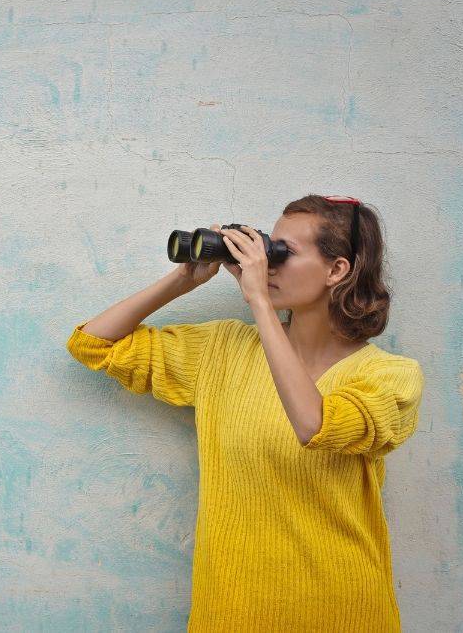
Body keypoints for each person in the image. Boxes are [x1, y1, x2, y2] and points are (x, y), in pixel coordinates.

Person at [66, 194, 426, 632]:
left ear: (337, 270)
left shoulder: (391, 377)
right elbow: (93, 344)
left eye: (282, 253)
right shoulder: (223, 349)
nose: (267, 264)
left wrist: (258, 300)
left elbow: (315, 424)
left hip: (339, 610)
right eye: (268, 247)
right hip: (232, 611)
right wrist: (183, 281)